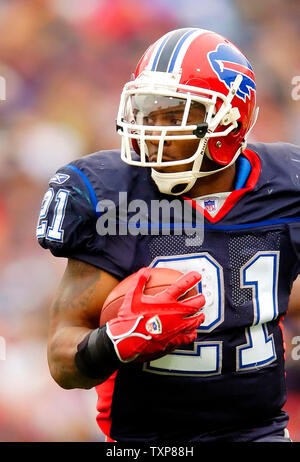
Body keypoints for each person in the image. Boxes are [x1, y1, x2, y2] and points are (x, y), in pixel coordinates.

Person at [36, 27, 300, 442]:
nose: (155, 132)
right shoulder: (111, 195)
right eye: (149, 115)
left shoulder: (288, 184)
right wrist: (114, 342)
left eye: (175, 116)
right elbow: (62, 361)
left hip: (258, 433)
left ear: (229, 121)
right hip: (146, 441)